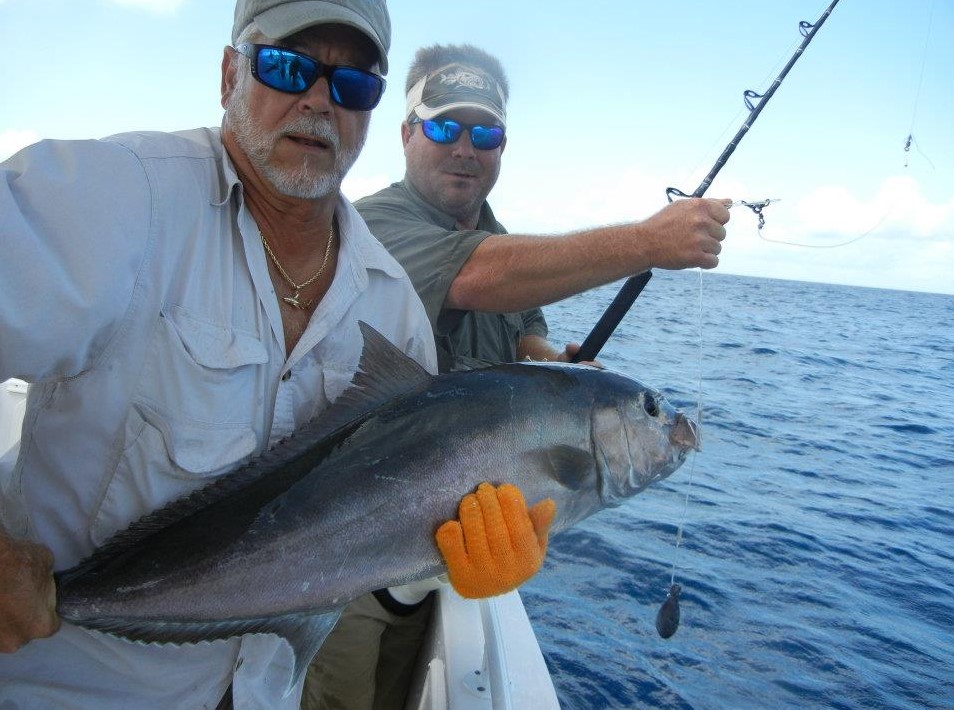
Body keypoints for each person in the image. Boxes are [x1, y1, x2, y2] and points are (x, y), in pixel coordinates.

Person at [0, 3, 552, 708]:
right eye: (287, 66)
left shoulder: (390, 310)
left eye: (353, 84)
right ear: (230, 71)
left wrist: (433, 566)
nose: (319, 99)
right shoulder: (111, 199)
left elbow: (370, 552)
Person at [355, 44, 733, 373]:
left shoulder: (500, 243)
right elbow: (475, 276)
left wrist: (551, 367)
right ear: (407, 136)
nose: (466, 150)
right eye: (444, 128)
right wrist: (649, 242)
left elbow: (524, 335)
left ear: (502, 148)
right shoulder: (366, 227)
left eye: (486, 134)